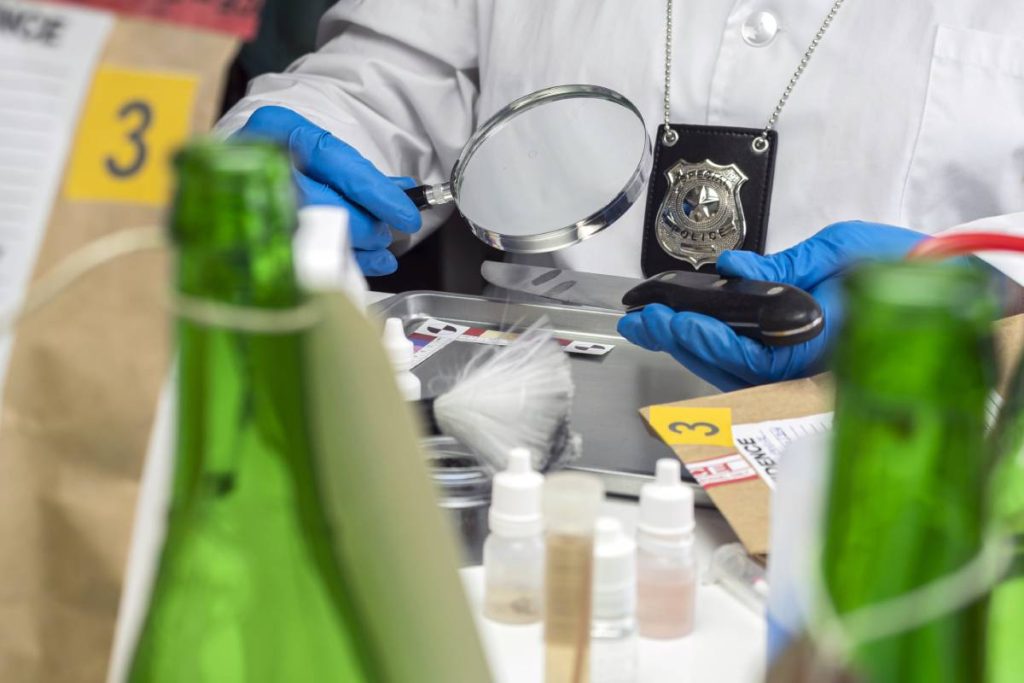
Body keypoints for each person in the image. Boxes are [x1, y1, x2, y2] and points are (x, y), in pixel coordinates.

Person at [218, 1, 1024, 390]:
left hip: (907, 464)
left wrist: (986, 283)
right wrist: (281, 164)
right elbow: (384, 82)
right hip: (515, 444)